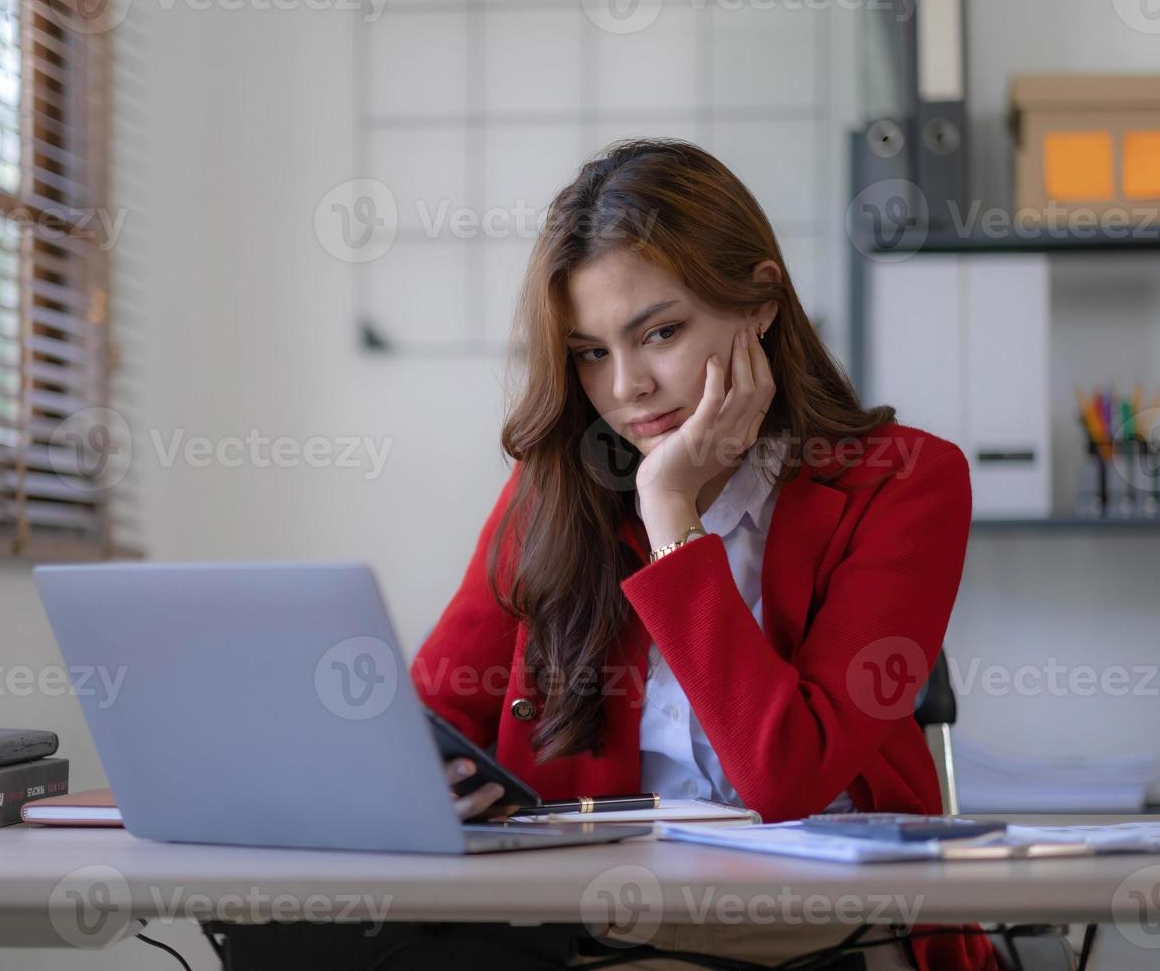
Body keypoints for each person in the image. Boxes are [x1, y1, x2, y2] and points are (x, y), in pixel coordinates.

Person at [415, 140, 997, 971]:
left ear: (760, 302)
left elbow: (786, 776)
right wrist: (422, 784)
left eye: (659, 332)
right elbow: (426, 721)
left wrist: (669, 510)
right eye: (590, 352)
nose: (626, 388)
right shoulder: (552, 493)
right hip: (592, 917)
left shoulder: (904, 483)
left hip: (830, 925)